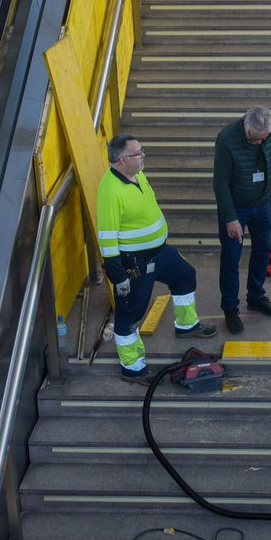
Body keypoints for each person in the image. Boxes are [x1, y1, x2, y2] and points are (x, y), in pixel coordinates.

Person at [97, 134, 216, 387]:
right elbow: (106, 239)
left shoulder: (137, 174)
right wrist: (118, 276)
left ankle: (186, 325)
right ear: (121, 160)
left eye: (142, 151)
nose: (143, 157)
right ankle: (133, 368)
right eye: (137, 153)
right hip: (135, 263)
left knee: (185, 275)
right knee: (130, 314)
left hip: (159, 253)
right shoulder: (110, 191)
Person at [213, 105, 271, 334]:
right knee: (231, 257)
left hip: (263, 204)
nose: (259, 143)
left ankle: (256, 296)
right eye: (254, 139)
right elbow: (220, 182)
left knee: (264, 250)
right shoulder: (227, 139)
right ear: (246, 128)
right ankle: (230, 309)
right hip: (236, 208)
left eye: (263, 139)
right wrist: (230, 218)